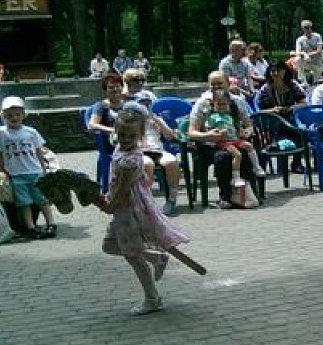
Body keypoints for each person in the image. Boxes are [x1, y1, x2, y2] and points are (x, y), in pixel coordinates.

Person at [93, 104, 192, 315]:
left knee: (132, 255)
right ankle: (157, 258)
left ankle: (152, 297)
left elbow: (124, 187)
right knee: (110, 246)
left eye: (130, 135)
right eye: (121, 134)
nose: (125, 139)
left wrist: (111, 204)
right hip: (122, 207)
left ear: (139, 135)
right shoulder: (120, 149)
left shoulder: (131, 158)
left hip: (129, 209)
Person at [188, 73, 259, 210]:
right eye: (212, 84)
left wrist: (247, 132)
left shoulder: (237, 101)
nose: (216, 87)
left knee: (248, 149)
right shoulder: (202, 103)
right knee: (223, 157)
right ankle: (225, 196)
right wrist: (208, 135)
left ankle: (247, 192)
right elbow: (192, 132)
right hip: (210, 143)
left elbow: (248, 125)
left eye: (219, 83)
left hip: (234, 139)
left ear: (227, 83)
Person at [0, 96, 57, 239]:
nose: (14, 118)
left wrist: (44, 168)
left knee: (42, 199)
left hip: (34, 170)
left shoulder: (31, 132)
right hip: (16, 173)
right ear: (3, 116)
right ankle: (30, 227)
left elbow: (39, 151)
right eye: (9, 115)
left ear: (23, 115)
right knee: (23, 202)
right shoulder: (0, 133)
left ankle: (51, 223)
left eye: (17, 114)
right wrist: (1, 170)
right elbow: (0, 153)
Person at [206, 89, 265, 198]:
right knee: (237, 154)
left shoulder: (230, 116)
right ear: (213, 104)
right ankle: (236, 177)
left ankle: (257, 167)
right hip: (223, 142)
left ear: (228, 104)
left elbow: (237, 129)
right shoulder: (213, 117)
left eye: (224, 104)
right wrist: (216, 132)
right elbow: (209, 130)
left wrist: (243, 132)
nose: (221, 106)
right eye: (218, 104)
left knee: (249, 146)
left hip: (234, 139)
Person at [133, 91, 183, 217]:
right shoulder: (131, 119)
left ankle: (171, 199)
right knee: (147, 164)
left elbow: (170, 136)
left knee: (172, 162)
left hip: (156, 150)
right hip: (140, 151)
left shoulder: (157, 118)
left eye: (147, 104)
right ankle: (148, 203)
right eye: (142, 104)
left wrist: (157, 121)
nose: (145, 106)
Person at [88, 73, 126, 137]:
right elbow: (92, 124)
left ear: (122, 87)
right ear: (105, 90)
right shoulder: (101, 106)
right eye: (111, 87)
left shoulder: (128, 104)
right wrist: (113, 130)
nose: (115, 89)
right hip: (112, 139)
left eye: (117, 86)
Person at [293, 20, 323, 86]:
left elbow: (319, 51)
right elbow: (298, 52)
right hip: (306, 61)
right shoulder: (300, 39)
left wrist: (307, 54)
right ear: (303, 29)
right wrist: (304, 54)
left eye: (310, 27)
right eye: (306, 28)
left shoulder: (318, 36)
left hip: (317, 61)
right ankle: (303, 81)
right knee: (297, 59)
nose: (309, 29)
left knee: (317, 84)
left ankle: (313, 76)